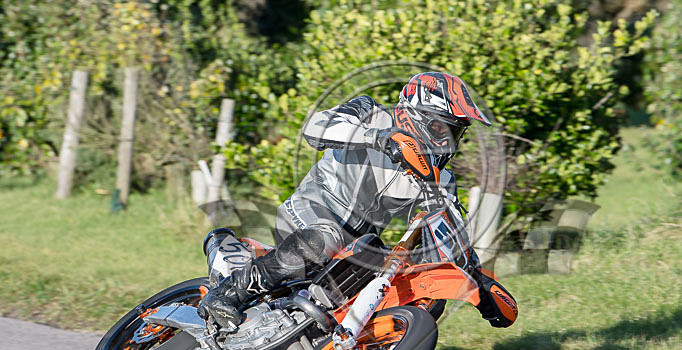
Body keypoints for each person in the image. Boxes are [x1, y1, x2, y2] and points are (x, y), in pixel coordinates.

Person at [198, 72, 515, 330]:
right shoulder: (370, 113)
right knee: (325, 239)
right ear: (416, 115)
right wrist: (379, 139)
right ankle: (227, 294)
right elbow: (313, 128)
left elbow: (448, 235)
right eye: (440, 128)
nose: (447, 142)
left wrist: (477, 283)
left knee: (421, 288)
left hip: (360, 243)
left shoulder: (440, 179)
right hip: (312, 211)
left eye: (455, 133)